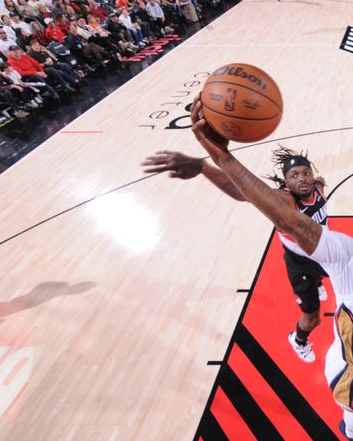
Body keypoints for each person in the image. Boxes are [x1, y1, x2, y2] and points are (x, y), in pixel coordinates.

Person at [186, 97, 353, 441]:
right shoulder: (329, 239)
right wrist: (218, 160)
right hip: (312, 276)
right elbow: (276, 213)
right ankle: (351, 428)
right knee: (313, 318)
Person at [141, 145, 332, 362]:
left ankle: (318, 282)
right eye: (294, 175)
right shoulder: (284, 200)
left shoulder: (318, 186)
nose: (303, 178)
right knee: (312, 319)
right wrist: (204, 168)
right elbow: (242, 193)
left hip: (320, 253)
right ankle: (298, 340)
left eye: (306, 172)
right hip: (300, 264)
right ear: (286, 183)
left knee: (326, 270)